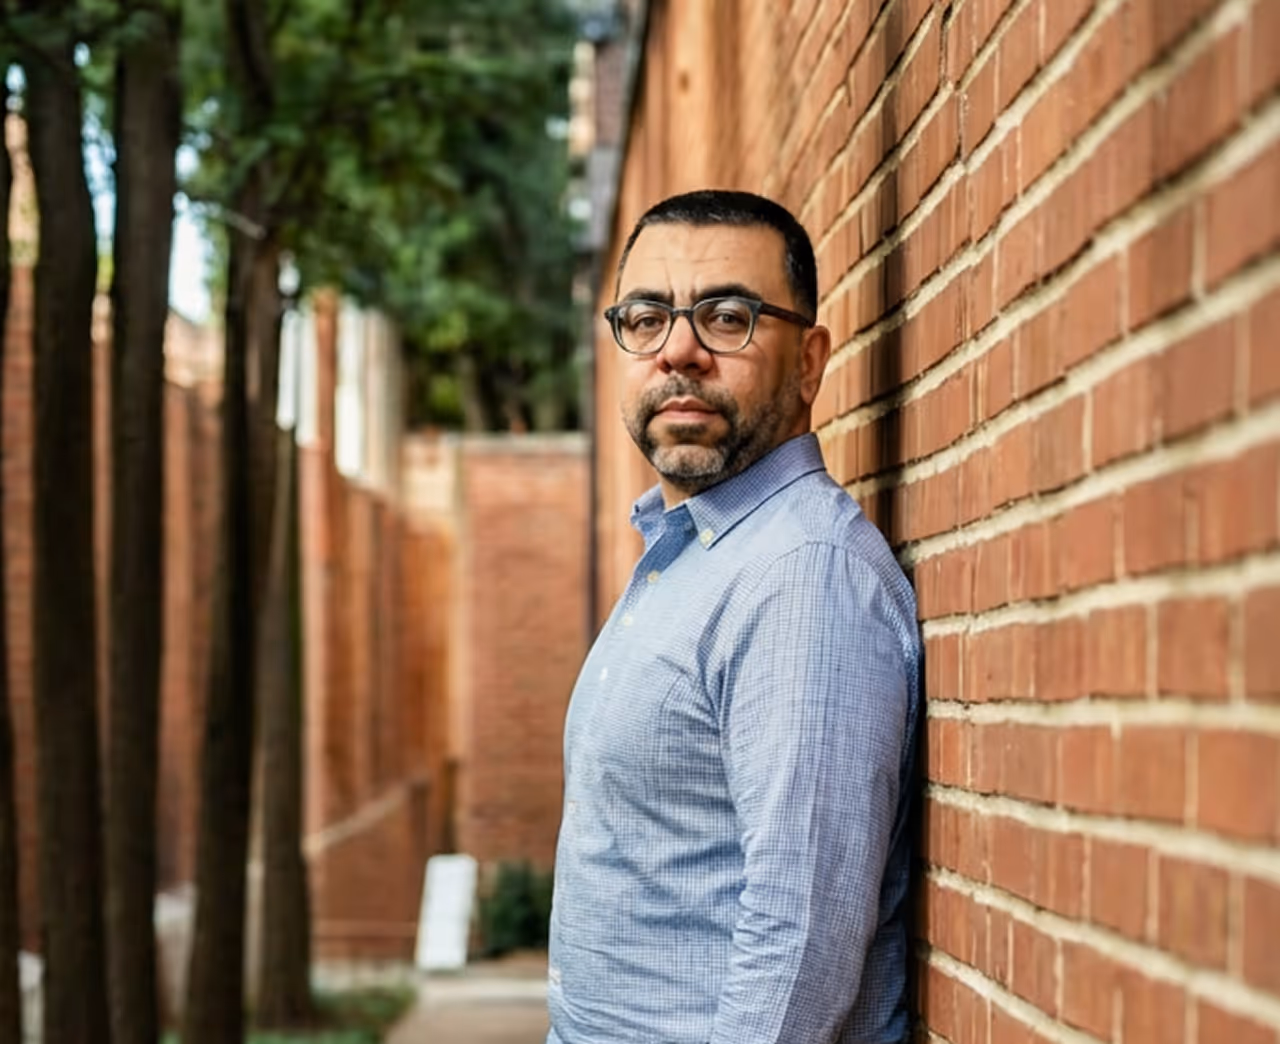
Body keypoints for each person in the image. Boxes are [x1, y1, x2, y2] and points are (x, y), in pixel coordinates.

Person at [547, 189, 921, 1044]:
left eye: (728, 317)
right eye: (646, 318)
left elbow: (798, 943)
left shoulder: (800, 576)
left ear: (809, 361)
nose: (679, 351)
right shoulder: (694, 552)